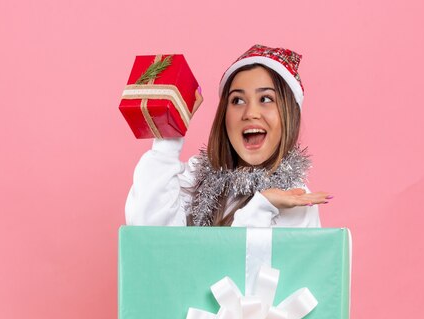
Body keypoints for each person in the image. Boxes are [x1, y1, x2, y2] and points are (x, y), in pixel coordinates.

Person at [125, 45, 332, 227]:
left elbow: (245, 267)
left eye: (266, 98)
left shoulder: (294, 199)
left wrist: (263, 205)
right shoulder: (197, 179)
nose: (250, 113)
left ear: (289, 114)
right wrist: (168, 136)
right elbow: (149, 233)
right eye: (237, 101)